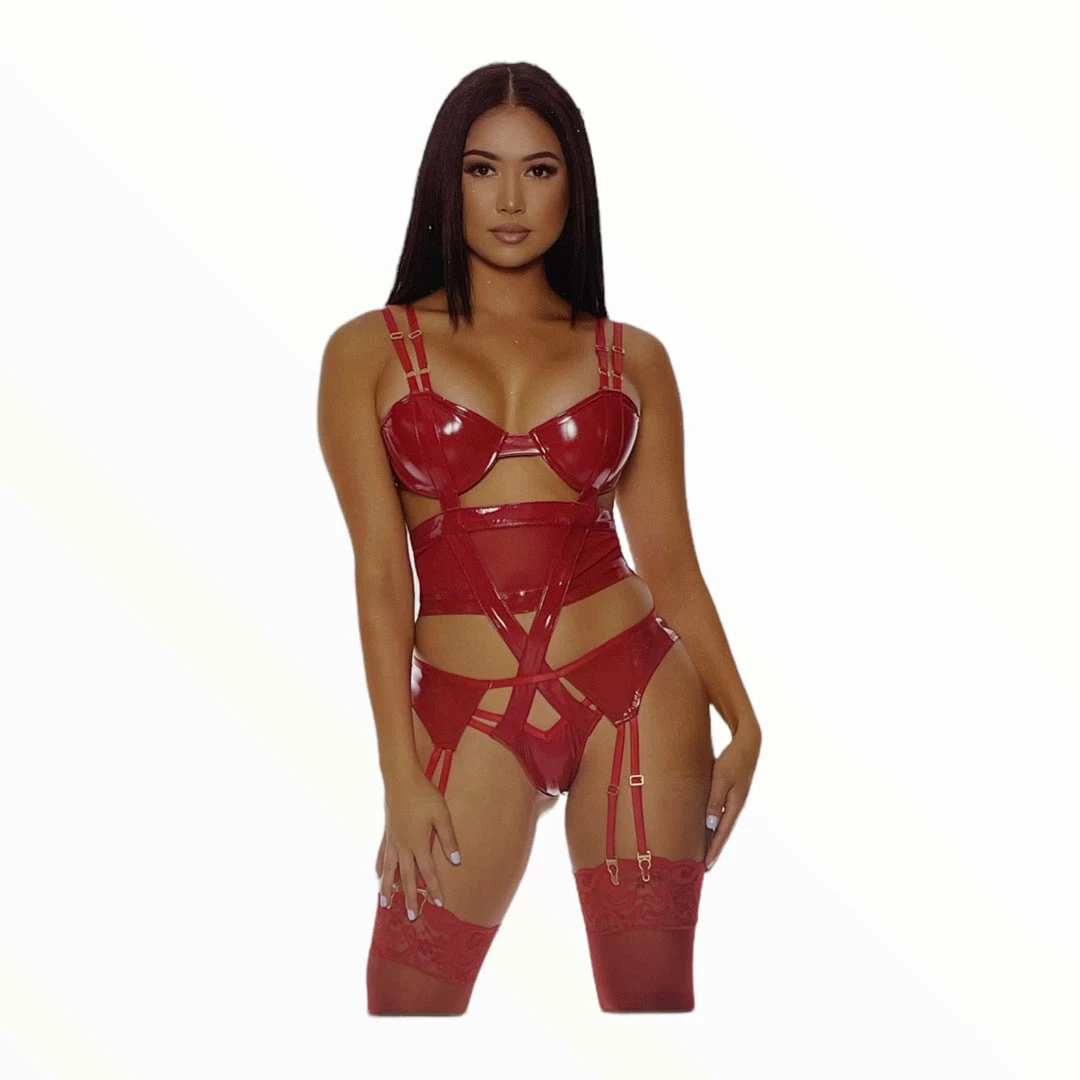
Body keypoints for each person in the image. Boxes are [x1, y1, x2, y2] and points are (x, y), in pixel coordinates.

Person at [318, 61, 762, 1016]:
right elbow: (381, 578)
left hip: (636, 692)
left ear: (575, 184)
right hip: (465, 714)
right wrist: (399, 775)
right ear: (448, 182)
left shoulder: (632, 357)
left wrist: (745, 718)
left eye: (540, 170)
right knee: (405, 1004)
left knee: (649, 1008)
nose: (511, 200)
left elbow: (670, 561)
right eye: (483, 170)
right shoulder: (368, 350)